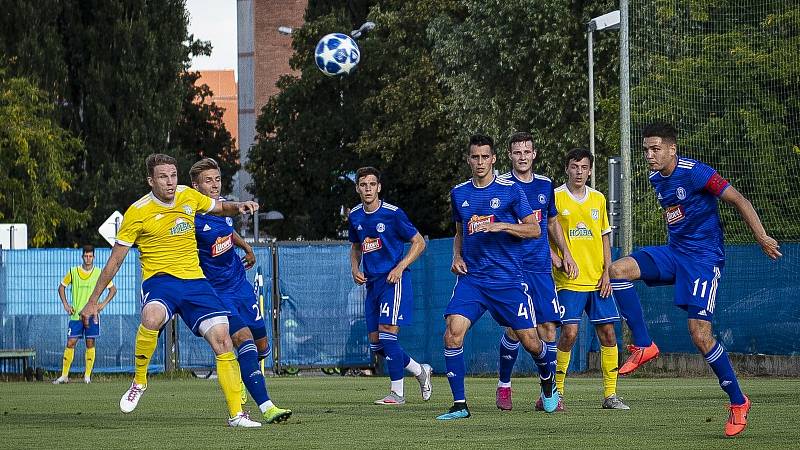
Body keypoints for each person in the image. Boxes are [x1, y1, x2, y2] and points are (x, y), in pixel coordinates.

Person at [608, 122, 782, 436]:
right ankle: (645, 344)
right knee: (617, 270)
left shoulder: (696, 171)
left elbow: (739, 200)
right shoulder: (654, 178)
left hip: (703, 260)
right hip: (676, 254)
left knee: (699, 335)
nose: (649, 155)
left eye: (655, 148)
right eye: (646, 149)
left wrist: (761, 236)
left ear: (672, 149)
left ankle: (738, 401)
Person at [80, 153, 262, 428]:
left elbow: (220, 209)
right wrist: (93, 301)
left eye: (173, 175)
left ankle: (237, 414)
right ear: (150, 180)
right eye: (163, 177)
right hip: (160, 281)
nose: (170, 182)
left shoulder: (189, 196)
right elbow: (115, 260)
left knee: (222, 338)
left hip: (195, 282)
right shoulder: (138, 211)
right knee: (151, 317)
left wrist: (241, 206)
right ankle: (140, 380)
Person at [437, 134, 558, 420]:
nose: (480, 162)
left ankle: (547, 381)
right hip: (473, 280)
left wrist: (500, 225)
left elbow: (534, 230)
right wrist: (457, 256)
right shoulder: (459, 193)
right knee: (452, 333)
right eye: (475, 157)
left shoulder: (511, 191)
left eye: (485, 157)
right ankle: (459, 405)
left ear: (493, 159)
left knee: (531, 342)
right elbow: (459, 233)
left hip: (507, 280)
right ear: (469, 160)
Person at [190, 158, 291, 423]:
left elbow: (227, 231)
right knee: (243, 339)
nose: (214, 185)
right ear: (195, 186)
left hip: (241, 286)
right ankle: (267, 406)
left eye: (217, 179)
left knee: (262, 345)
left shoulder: (223, 207)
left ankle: (249, 376)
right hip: (217, 294)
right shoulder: (191, 219)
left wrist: (245, 246)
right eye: (208, 181)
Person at [494, 132, 578, 411]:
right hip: (512, 268)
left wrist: (564, 252)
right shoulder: (501, 186)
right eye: (517, 152)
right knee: (516, 329)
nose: (522, 157)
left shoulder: (545, 185)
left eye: (526, 152)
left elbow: (552, 223)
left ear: (534, 154)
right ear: (509, 155)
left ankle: (548, 393)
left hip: (540, 268)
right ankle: (504, 385)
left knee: (548, 329)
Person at [550, 148, 628, 410]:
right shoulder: (556, 197)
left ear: (590, 170)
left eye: (584, 167)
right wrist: (554, 257)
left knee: (608, 334)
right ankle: (556, 393)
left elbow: (604, 236)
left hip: (597, 280)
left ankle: (610, 395)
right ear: (567, 168)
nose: (579, 172)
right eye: (574, 166)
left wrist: (608, 271)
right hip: (569, 280)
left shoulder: (598, 199)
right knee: (569, 334)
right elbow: (541, 232)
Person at [348, 166, 433, 405]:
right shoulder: (355, 216)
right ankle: (419, 370)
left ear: (379, 187)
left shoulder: (393, 214)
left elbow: (418, 243)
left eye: (372, 184)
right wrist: (355, 269)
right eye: (363, 185)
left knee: (387, 335)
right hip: (372, 285)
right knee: (377, 345)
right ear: (357, 188)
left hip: (393, 281)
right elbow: (355, 247)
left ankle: (397, 393)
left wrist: (400, 267)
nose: (368, 189)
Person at [53, 245, 117, 384]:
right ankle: (64, 375)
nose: (88, 258)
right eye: (86, 256)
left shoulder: (99, 273)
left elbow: (113, 290)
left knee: (90, 343)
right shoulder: (73, 271)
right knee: (70, 342)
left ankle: (87, 376)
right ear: (82, 257)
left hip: (92, 316)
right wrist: (66, 305)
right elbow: (61, 288)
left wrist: (102, 305)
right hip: (76, 315)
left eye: (90, 256)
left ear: (94, 257)